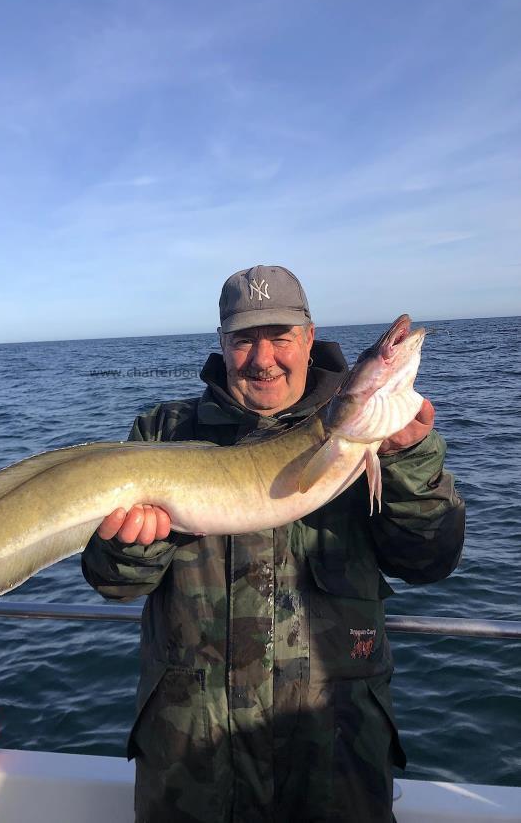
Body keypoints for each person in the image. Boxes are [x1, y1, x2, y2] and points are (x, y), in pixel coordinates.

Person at [81, 265, 465, 823]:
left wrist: (410, 461)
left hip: (336, 759)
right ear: (222, 345)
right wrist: (130, 547)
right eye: (243, 339)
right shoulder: (163, 434)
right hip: (193, 763)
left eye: (280, 336)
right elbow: (112, 582)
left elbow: (430, 560)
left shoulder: (375, 444)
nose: (263, 358)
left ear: (309, 339)